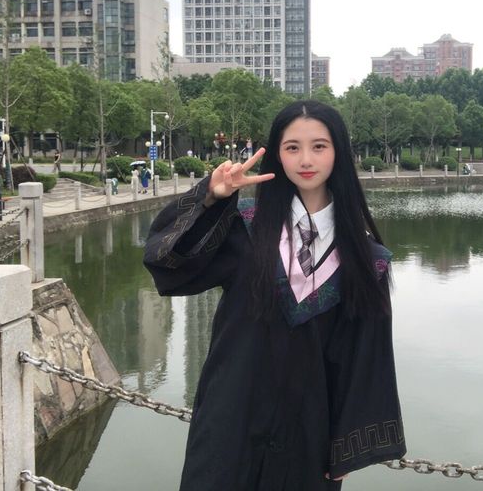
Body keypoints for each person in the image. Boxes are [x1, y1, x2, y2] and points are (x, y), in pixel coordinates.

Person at [143, 100, 405, 490]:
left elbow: (364, 357)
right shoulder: (243, 228)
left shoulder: (365, 259)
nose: (306, 159)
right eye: (292, 147)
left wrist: (345, 447)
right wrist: (210, 197)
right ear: (278, 155)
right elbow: (169, 266)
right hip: (229, 425)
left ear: (338, 153)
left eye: (319, 146)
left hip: (308, 438)